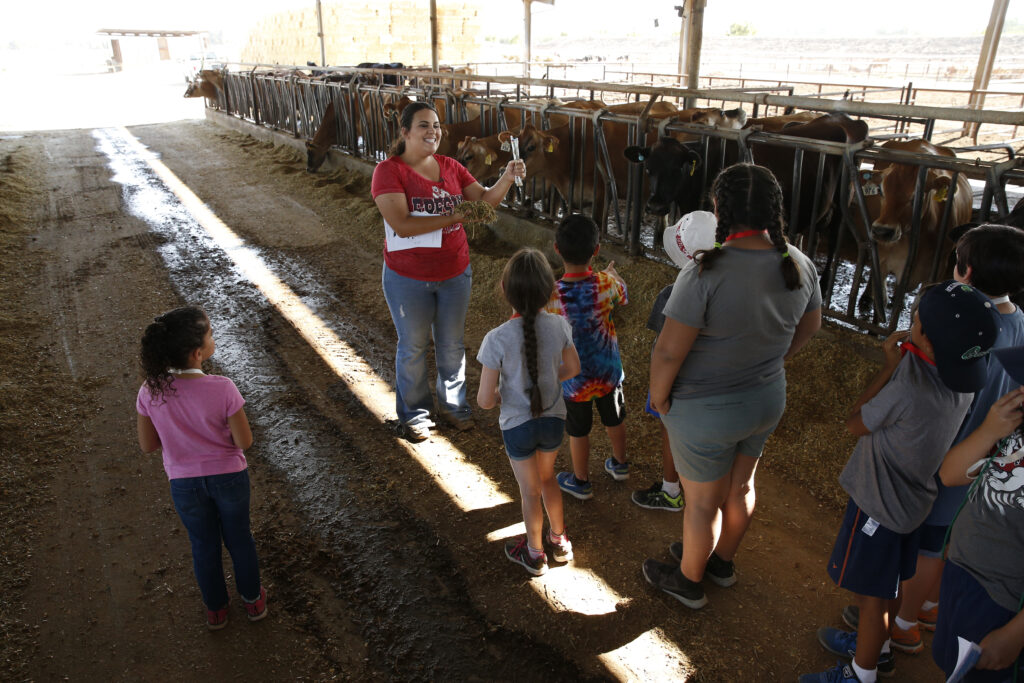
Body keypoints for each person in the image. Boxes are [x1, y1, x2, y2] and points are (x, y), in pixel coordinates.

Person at [642, 163, 822, 610]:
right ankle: (721, 563)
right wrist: (776, 360)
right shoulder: (796, 263)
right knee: (740, 488)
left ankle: (688, 580)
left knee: (701, 502)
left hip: (706, 408)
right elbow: (811, 325)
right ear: (774, 208)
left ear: (719, 208)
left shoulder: (705, 271)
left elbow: (668, 351)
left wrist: (661, 396)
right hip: (765, 398)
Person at [802, 281, 1001, 683]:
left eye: (915, 319)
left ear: (926, 339)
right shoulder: (963, 382)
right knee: (889, 584)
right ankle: (878, 647)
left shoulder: (908, 385)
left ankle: (862, 672)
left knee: (872, 597)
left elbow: (854, 422)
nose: (910, 322)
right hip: (913, 507)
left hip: (879, 507)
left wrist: (889, 366)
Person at [843, 224, 1024, 656]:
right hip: (985, 463)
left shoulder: (959, 329)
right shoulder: (1018, 322)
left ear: (965, 271)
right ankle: (921, 608)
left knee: (927, 546)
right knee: (941, 541)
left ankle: (899, 624)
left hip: (944, 459)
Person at [371, 101, 526, 442]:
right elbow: (402, 223)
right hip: (407, 276)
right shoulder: (389, 171)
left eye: (437, 125)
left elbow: (483, 204)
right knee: (412, 345)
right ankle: (415, 415)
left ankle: (454, 408)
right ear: (405, 132)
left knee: (452, 345)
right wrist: (456, 216)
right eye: (424, 125)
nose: (433, 132)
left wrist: (508, 177)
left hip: (455, 271)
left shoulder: (451, 167)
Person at [136, 306, 266, 630]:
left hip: (184, 484)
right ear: (198, 353)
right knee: (239, 539)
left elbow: (148, 445)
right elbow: (245, 441)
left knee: (203, 544)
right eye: (210, 334)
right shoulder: (223, 388)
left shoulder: (150, 390)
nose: (213, 337)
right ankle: (253, 601)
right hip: (230, 479)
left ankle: (216, 609)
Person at [477, 248, 581, 576]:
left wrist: (504, 392)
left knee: (529, 490)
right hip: (553, 421)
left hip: (518, 427)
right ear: (550, 291)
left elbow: (484, 401)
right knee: (548, 479)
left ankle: (535, 554)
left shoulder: (496, 340)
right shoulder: (560, 325)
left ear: (504, 289)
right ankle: (559, 540)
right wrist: (548, 381)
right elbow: (573, 367)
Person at [933, 346, 1024, 683]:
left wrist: (1016, 633)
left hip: (1003, 603)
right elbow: (950, 474)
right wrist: (989, 430)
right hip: (961, 573)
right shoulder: (1015, 433)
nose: (1019, 389)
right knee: (952, 665)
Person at [631, 211, 717, 512]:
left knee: (671, 433)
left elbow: (663, 348)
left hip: (678, 385)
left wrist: (658, 392)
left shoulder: (672, 293)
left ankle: (671, 491)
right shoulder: (729, 291)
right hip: (715, 387)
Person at [544, 214, 629, 500]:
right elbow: (623, 296)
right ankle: (620, 464)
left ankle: (581, 481)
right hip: (607, 372)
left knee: (578, 430)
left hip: (574, 378)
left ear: (556, 249)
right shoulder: (606, 283)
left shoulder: (552, 294)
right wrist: (614, 276)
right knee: (615, 418)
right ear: (596, 250)